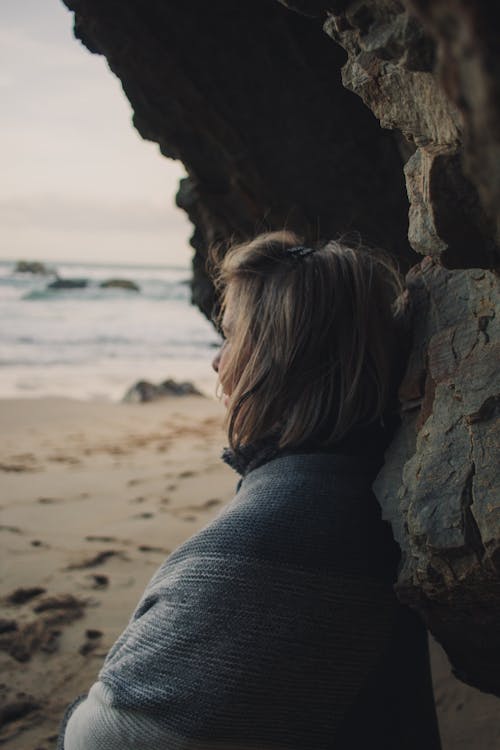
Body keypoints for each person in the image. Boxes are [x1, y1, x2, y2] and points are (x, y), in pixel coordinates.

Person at [58, 231, 441, 749]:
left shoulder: (285, 529)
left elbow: (105, 740)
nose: (217, 364)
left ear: (277, 359)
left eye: (232, 336)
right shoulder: (356, 490)